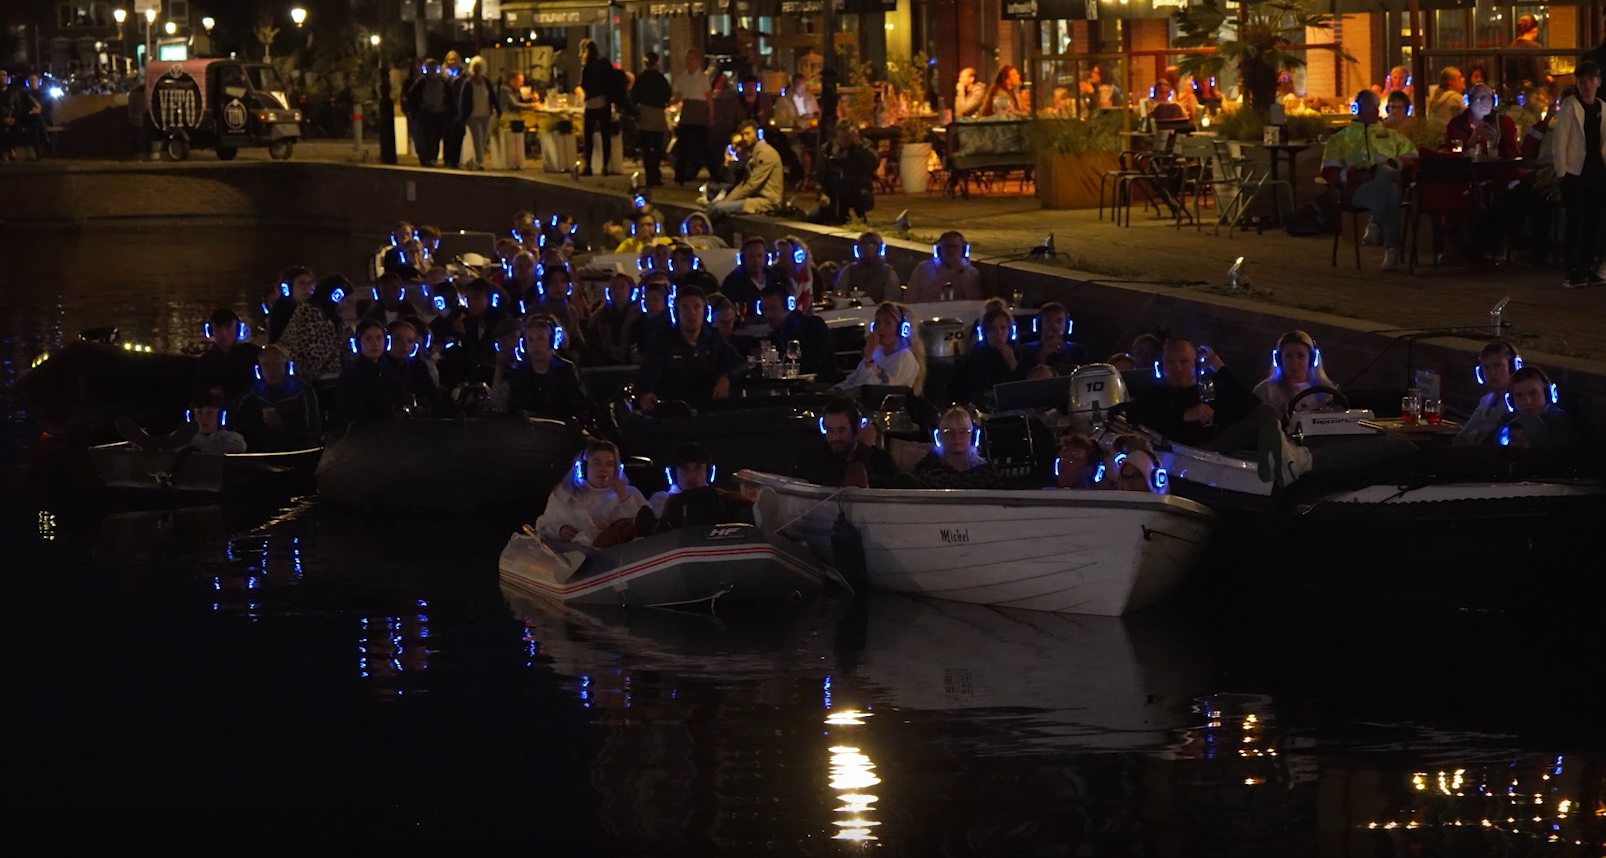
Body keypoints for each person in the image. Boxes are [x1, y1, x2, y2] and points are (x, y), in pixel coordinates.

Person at [1320, 90, 1419, 270]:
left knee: (1385, 173)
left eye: (1374, 107)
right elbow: (1328, 171)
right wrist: (1354, 175)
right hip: (1358, 190)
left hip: (1387, 177)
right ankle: (1391, 251)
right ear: (1357, 108)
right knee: (1392, 194)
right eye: (1368, 106)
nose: (1373, 111)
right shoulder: (1339, 139)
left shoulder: (1393, 136)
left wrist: (1391, 164)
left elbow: (1414, 159)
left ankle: (1376, 224)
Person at [1130, 338, 1263, 451]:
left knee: (1266, 414)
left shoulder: (1211, 389)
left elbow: (1253, 405)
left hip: (1222, 457)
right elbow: (1135, 416)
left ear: (1195, 362)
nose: (1178, 368)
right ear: (1162, 365)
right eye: (1171, 362)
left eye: (1184, 362)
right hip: (1184, 455)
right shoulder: (1155, 394)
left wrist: (1219, 368)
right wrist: (1183, 416)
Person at [635, 285, 745, 411]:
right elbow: (646, 378)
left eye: (697, 307)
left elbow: (739, 364)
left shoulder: (713, 338)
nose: (692, 313)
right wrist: (646, 395)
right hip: (674, 411)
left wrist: (726, 377)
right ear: (677, 312)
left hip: (710, 409)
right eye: (685, 308)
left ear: (704, 311)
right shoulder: (662, 342)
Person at [1553, 60, 1606, 289]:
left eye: (1590, 81)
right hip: (1576, 171)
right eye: (1582, 81)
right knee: (1576, 220)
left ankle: (1586, 266)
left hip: (1597, 170)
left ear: (1598, 83)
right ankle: (1572, 269)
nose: (1586, 86)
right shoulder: (1570, 107)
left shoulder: (1602, 108)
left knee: (1593, 220)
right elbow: (1560, 140)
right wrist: (1562, 171)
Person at [535, 441, 648, 547]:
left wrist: (625, 499)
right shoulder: (565, 493)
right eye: (597, 463)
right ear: (584, 467)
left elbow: (645, 529)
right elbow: (543, 526)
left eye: (609, 464)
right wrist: (560, 530)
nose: (603, 469)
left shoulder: (631, 493)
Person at [504, 314, 594, 423]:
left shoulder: (566, 370)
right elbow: (513, 411)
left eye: (540, 338)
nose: (535, 345)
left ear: (550, 341)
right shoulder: (520, 374)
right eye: (530, 340)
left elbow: (580, 409)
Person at [230, 345, 322, 452]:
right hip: (259, 451)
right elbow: (234, 421)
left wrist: (284, 424)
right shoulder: (252, 392)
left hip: (295, 449)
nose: (272, 369)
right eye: (266, 364)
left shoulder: (302, 391)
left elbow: (313, 428)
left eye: (277, 363)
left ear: (286, 366)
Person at [796, 396, 901, 488]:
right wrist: (862, 449)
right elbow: (851, 489)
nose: (834, 438)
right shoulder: (816, 460)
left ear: (857, 428)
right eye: (830, 430)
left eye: (841, 431)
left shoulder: (881, 460)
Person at [833, 302, 925, 394]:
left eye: (887, 323)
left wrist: (869, 359)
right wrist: (837, 389)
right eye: (877, 323)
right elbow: (854, 379)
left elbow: (877, 389)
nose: (880, 328)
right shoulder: (877, 352)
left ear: (901, 328)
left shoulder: (905, 358)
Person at [337, 319, 410, 424]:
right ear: (359, 343)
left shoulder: (388, 370)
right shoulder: (350, 376)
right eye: (368, 339)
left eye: (379, 338)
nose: (375, 343)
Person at [759, 283, 836, 382]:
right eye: (766, 309)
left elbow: (815, 364)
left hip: (819, 385)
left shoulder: (812, 325)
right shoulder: (774, 336)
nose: (769, 315)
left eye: (773, 308)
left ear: (788, 305)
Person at [953, 306, 1030, 405]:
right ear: (986, 331)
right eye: (993, 328)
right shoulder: (977, 355)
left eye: (1003, 328)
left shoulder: (1018, 352)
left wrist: (1012, 363)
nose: (998, 333)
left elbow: (1024, 386)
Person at [707, 121, 783, 218]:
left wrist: (727, 201)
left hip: (767, 202)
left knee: (718, 208)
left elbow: (752, 184)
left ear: (756, 133)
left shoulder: (765, 154)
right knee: (714, 206)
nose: (745, 138)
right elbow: (742, 182)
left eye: (748, 134)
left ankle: (702, 229)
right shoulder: (753, 152)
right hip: (755, 198)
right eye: (743, 135)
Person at [914, 407, 1004, 489]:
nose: (956, 437)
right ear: (939, 436)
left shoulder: (985, 471)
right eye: (949, 432)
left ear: (972, 435)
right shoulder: (926, 470)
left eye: (963, 431)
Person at [278, 275, 348, 380]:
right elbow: (311, 353)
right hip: (316, 382)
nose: (346, 303)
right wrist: (339, 342)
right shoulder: (309, 314)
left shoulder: (332, 317)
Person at [1253, 330, 1338, 413]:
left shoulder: (1328, 393)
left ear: (1311, 359)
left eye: (1300, 356)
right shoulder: (1265, 392)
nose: (1294, 362)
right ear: (1279, 359)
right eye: (1288, 356)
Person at [1455, 341, 1522, 447]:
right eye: (1486, 367)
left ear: (1513, 367)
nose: (1492, 372)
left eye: (1498, 366)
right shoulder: (1486, 401)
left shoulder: (1519, 403)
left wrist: (1475, 437)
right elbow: (1461, 437)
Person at [1493, 366, 1578, 449]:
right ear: (1511, 400)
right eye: (1519, 395)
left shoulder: (1559, 422)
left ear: (1547, 393)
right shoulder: (1509, 419)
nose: (1527, 401)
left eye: (1533, 393)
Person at [811, 124, 879, 225]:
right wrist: (822, 194)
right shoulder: (828, 149)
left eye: (847, 137)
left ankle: (857, 215)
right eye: (841, 137)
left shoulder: (864, 146)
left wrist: (860, 145)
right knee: (813, 218)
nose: (844, 141)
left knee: (861, 200)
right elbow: (819, 176)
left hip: (857, 191)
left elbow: (873, 164)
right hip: (834, 193)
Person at [194, 308, 262, 402]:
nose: (223, 333)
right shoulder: (206, 362)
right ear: (211, 331)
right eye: (218, 328)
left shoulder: (253, 354)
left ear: (237, 329)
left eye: (228, 327)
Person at [671, 48, 713, 184]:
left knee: (704, 146)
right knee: (683, 146)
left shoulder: (703, 78)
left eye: (691, 59)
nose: (688, 62)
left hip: (699, 114)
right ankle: (680, 176)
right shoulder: (682, 77)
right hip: (687, 113)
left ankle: (714, 172)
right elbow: (677, 97)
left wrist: (711, 114)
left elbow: (709, 98)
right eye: (687, 59)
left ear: (697, 61)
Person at [1445, 84, 1519, 160]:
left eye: (1488, 97)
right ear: (1469, 101)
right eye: (1479, 97)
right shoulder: (1456, 125)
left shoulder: (1505, 123)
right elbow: (1452, 160)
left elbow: (1513, 156)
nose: (1484, 101)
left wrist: (1495, 144)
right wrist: (1471, 143)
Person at [404, 58, 454, 167]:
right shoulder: (421, 82)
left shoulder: (443, 82)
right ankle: (427, 158)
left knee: (436, 137)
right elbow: (411, 97)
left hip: (439, 114)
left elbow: (450, 97)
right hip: (426, 115)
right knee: (426, 138)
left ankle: (433, 158)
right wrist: (417, 110)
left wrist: (447, 110)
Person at [905, 231, 982, 301]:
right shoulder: (923, 268)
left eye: (955, 247)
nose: (951, 251)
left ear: (963, 250)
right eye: (946, 247)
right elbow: (910, 297)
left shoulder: (971, 272)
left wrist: (960, 270)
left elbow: (975, 298)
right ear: (939, 249)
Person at [632, 51, 672, 187]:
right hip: (658, 114)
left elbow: (634, 96)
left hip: (645, 113)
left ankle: (649, 175)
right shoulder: (661, 78)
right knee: (657, 146)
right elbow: (667, 95)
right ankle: (656, 173)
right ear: (657, 63)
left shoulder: (641, 78)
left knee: (646, 148)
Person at [386, 319, 441, 411]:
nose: (404, 344)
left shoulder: (418, 367)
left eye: (410, 341)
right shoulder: (379, 367)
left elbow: (433, 398)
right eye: (398, 339)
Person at [578, 39, 615, 176]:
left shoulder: (588, 65)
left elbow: (583, 84)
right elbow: (611, 80)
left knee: (589, 136)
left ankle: (589, 166)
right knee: (605, 135)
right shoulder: (605, 63)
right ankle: (605, 166)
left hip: (591, 102)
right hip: (604, 102)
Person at [1023, 302, 1087, 376]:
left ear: (1066, 324)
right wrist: (1042, 356)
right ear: (1040, 324)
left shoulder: (1078, 350)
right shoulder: (1026, 351)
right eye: (1049, 321)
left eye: (1059, 321)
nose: (1055, 326)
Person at [457, 59, 499, 171]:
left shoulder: (486, 81)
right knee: (477, 137)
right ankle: (480, 160)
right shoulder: (468, 82)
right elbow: (463, 100)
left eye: (479, 67)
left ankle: (478, 159)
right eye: (475, 67)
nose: (477, 69)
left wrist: (497, 109)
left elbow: (492, 96)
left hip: (485, 113)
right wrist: (463, 115)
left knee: (484, 138)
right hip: (473, 115)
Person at [591, 272, 642, 365]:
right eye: (614, 287)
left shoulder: (640, 315)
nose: (618, 291)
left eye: (622, 287)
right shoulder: (599, 316)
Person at [834, 233, 901, 303]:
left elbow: (891, 301)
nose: (867, 248)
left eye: (872, 245)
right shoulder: (849, 270)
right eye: (863, 245)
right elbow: (838, 295)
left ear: (879, 248)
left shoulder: (887, 273)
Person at [628, 275, 674, 360]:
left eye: (655, 299)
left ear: (665, 301)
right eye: (647, 300)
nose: (651, 304)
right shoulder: (637, 325)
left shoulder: (673, 324)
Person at [182, 395, 248, 454]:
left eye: (209, 413)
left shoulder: (231, 438)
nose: (204, 418)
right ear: (192, 416)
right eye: (199, 412)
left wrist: (195, 448)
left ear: (219, 416)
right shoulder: (182, 437)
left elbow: (239, 446)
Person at [767, 236, 821, 307]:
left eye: (784, 255)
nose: (779, 258)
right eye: (778, 254)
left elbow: (819, 297)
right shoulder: (774, 274)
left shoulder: (811, 273)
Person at [267, 265, 316, 343]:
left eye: (310, 284)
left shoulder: (315, 309)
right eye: (302, 284)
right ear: (288, 287)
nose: (308, 288)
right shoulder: (281, 311)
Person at [721, 236, 772, 311]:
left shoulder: (774, 277)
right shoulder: (732, 282)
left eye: (760, 256)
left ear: (766, 258)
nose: (756, 260)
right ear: (743, 258)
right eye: (751, 256)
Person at [1504, 14, 1549, 96]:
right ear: (1535, 29)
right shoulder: (1535, 47)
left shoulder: (1510, 48)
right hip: (1531, 94)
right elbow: (1539, 77)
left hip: (1513, 94)